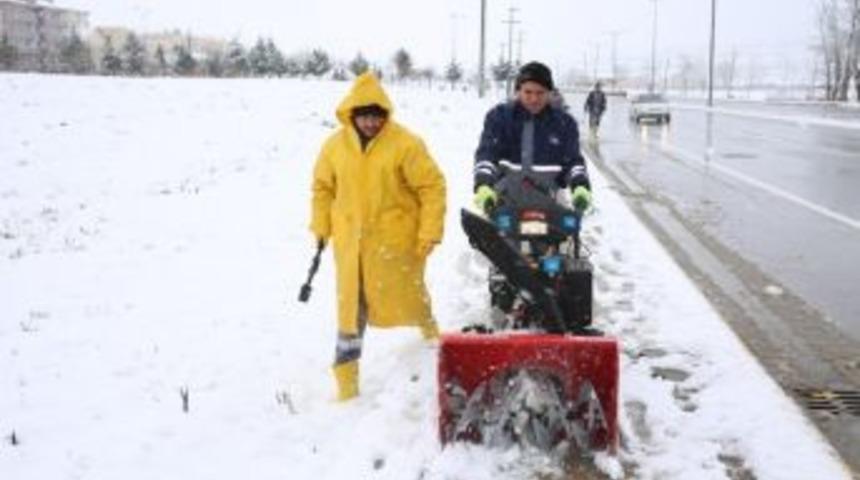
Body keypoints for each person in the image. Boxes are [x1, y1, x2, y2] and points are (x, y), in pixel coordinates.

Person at [309, 72, 447, 401]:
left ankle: (432, 337)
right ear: (352, 114)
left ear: (385, 114)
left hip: (395, 243)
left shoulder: (406, 144)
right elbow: (323, 188)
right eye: (365, 116)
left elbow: (432, 187)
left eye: (377, 116)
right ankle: (346, 384)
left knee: (411, 297)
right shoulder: (334, 146)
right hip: (350, 247)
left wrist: (429, 231)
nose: (371, 123)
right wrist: (321, 226)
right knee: (350, 315)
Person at [473, 61, 592, 212]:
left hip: (550, 206)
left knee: (570, 232)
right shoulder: (499, 118)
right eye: (528, 92)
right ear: (518, 91)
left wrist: (580, 186)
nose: (534, 99)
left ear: (549, 92)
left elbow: (573, 161)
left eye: (540, 93)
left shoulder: (565, 123)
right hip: (502, 204)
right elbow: (487, 154)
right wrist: (483, 185)